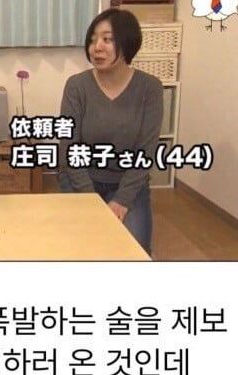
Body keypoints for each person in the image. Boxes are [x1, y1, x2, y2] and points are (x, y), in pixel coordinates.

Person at [58, 8, 163, 254]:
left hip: (127, 185)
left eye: (107, 39)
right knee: (76, 249)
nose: (97, 47)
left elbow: (146, 152)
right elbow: (68, 148)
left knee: (133, 252)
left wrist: (122, 200)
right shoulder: (77, 86)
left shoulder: (150, 88)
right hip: (80, 181)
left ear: (127, 43)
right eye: (93, 39)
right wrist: (91, 200)